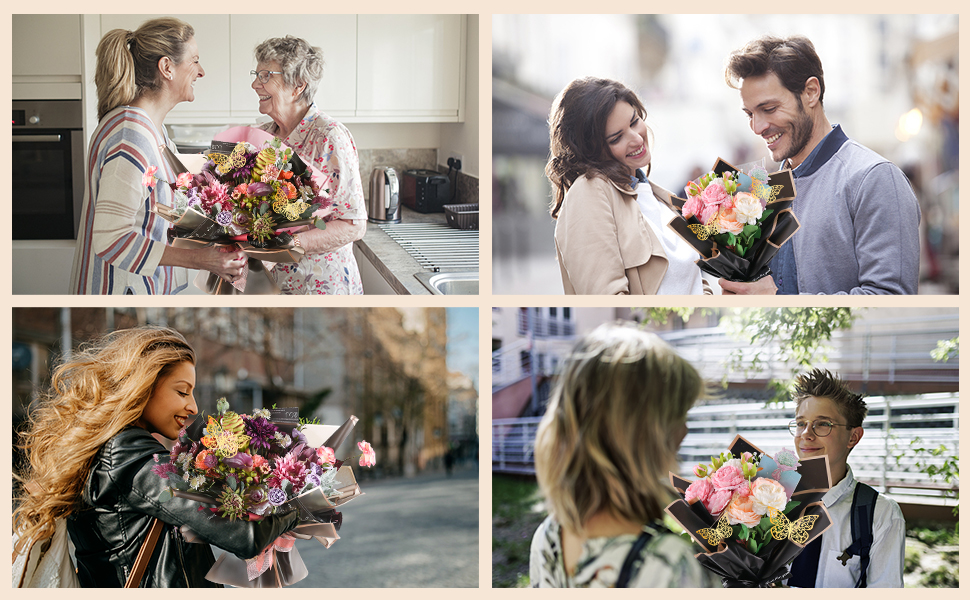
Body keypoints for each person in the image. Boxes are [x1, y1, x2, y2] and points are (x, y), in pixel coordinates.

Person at [13, 327, 298, 587]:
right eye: (182, 391)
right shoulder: (127, 454)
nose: (193, 406)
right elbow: (244, 536)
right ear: (143, 385)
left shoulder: (106, 448)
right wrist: (304, 500)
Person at [721, 35, 920, 295]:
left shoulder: (873, 178)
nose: (757, 127)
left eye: (768, 108)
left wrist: (777, 299)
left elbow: (891, 298)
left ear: (811, 92)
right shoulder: (762, 189)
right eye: (749, 114)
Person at [529, 323, 717, 587]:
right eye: (678, 415)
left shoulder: (548, 537)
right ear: (644, 434)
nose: (685, 431)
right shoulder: (671, 565)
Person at [70, 18, 246, 294]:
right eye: (195, 60)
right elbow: (111, 239)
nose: (201, 72)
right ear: (167, 68)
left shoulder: (152, 130)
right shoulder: (131, 136)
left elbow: (165, 198)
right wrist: (202, 260)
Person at [547, 77, 716, 295]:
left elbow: (694, 280)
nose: (636, 138)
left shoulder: (655, 194)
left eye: (634, 121)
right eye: (617, 138)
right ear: (591, 150)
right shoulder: (589, 192)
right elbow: (607, 299)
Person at [251, 36, 366, 294]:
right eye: (256, 75)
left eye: (266, 75)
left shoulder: (329, 136)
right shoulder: (261, 137)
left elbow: (354, 224)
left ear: (298, 86)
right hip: (273, 287)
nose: (255, 84)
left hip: (319, 289)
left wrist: (286, 243)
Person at [786, 369, 905, 587]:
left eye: (822, 424)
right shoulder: (769, 499)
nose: (806, 434)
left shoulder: (880, 514)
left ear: (853, 437)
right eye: (801, 423)